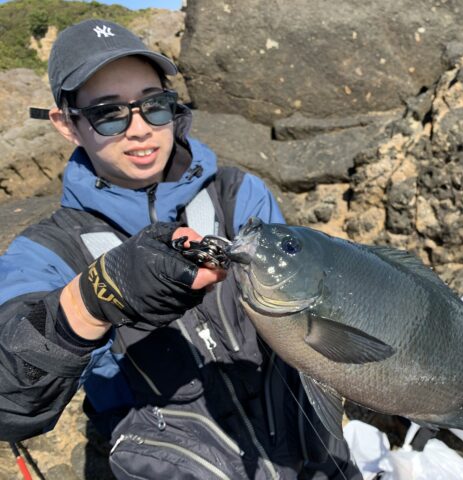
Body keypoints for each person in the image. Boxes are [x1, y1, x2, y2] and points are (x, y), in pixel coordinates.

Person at [0, 19, 361, 480]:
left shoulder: (239, 195)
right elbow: (9, 401)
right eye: (109, 113)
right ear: (67, 124)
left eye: (154, 105)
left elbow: (314, 309)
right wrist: (93, 298)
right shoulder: (46, 251)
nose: (139, 129)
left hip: (313, 455)